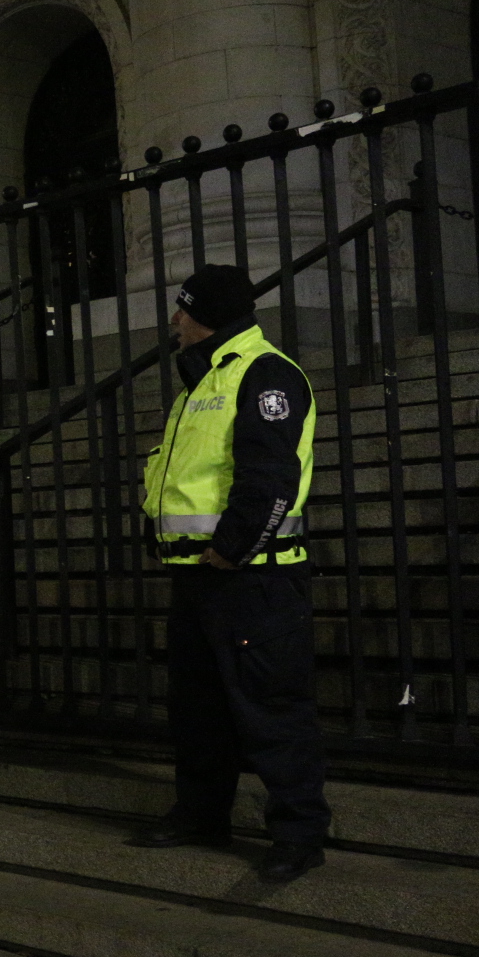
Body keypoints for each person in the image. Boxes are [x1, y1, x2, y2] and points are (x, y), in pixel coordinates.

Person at [131, 265, 327, 884]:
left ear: (203, 315)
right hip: (199, 578)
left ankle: (299, 834)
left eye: (181, 310)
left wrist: (231, 548)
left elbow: (270, 478)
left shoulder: (264, 373)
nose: (174, 321)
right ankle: (200, 813)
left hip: (252, 579)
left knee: (271, 708)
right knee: (198, 707)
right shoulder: (200, 381)